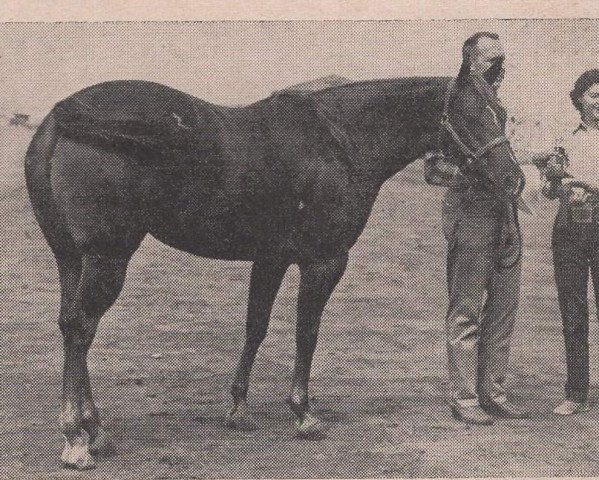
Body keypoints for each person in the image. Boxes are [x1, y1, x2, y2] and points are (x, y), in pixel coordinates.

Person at [438, 32, 530, 425]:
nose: (500, 66)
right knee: (467, 309)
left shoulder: (496, 107)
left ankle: (493, 391)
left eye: (503, 59)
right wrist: (467, 171)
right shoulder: (455, 105)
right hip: (472, 210)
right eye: (491, 59)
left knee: (504, 307)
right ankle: (464, 398)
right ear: (471, 60)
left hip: (505, 211)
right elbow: (433, 168)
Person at [537, 69, 599, 416]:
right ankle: (576, 393)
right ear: (579, 100)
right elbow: (547, 189)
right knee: (573, 314)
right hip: (570, 229)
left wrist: (591, 186)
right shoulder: (565, 138)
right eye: (594, 95)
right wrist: (558, 186)